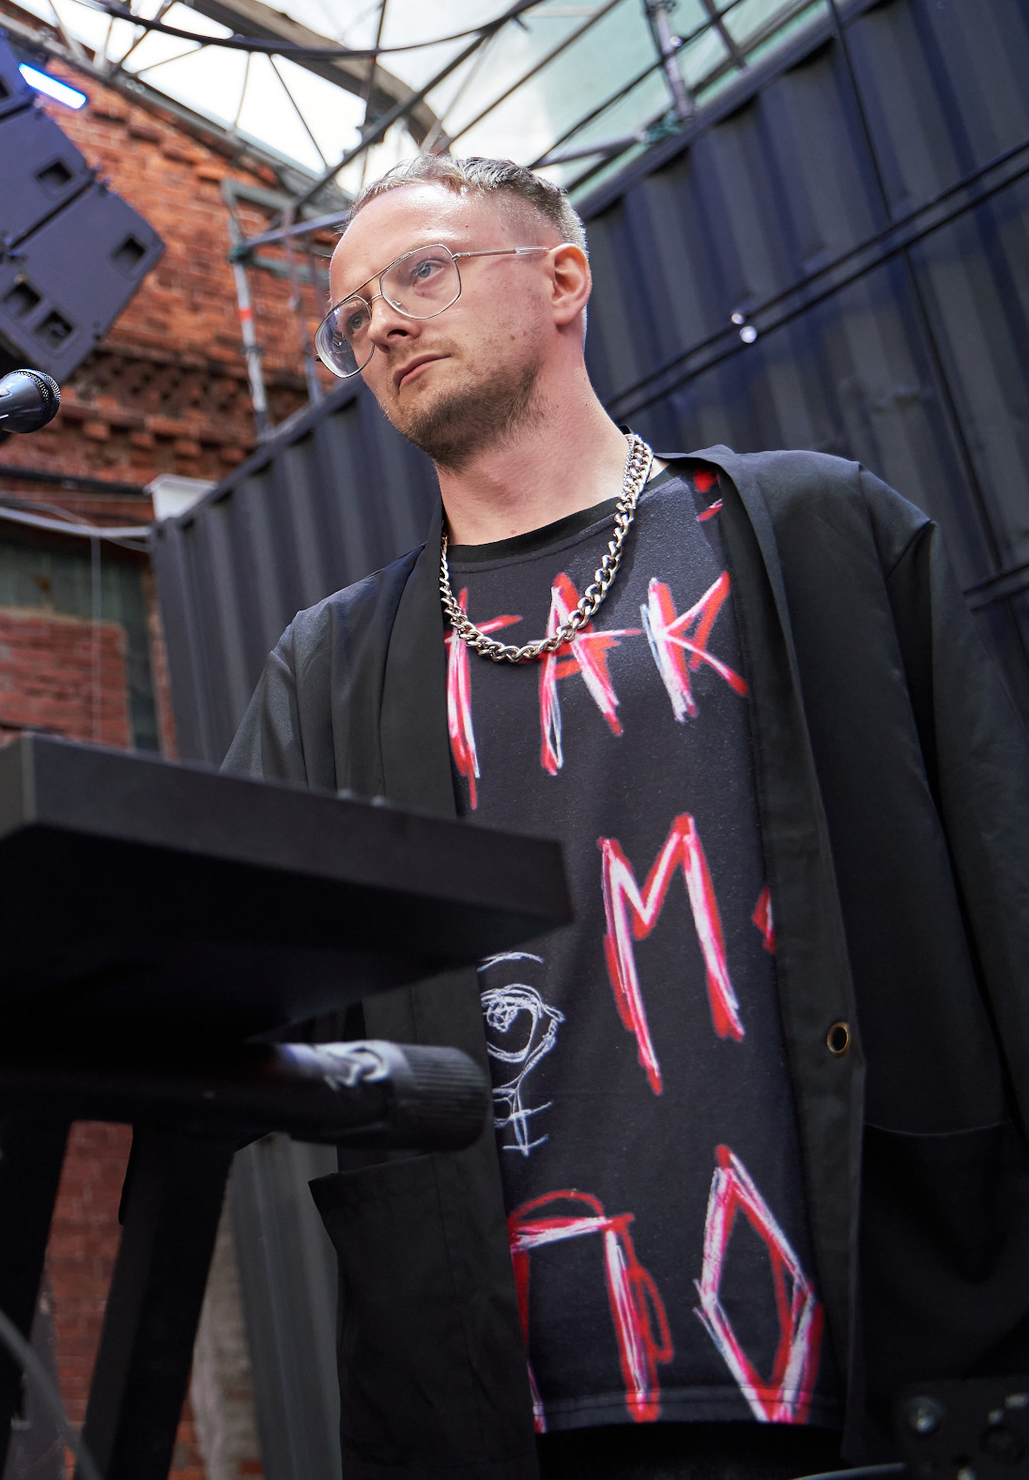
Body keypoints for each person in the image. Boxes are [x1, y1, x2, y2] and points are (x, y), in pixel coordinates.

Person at [223, 153, 1029, 1475]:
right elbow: (237, 968)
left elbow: (1003, 887)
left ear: (562, 278)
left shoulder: (818, 535)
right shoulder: (332, 665)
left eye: (421, 271)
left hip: (873, 1353)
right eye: (355, 313)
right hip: (501, 1400)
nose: (382, 324)